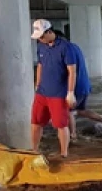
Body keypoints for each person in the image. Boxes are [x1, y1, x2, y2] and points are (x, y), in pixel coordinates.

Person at [52, 30, 102, 140]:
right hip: (84, 85)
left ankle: (73, 135)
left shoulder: (63, 50)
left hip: (75, 86)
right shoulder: (75, 47)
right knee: (81, 110)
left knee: (67, 111)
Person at [31, 19, 77, 158]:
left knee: (60, 125)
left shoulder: (66, 47)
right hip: (42, 92)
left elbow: (72, 71)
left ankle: (64, 154)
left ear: (49, 31)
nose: (40, 39)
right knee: (35, 122)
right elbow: (40, 65)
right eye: (38, 37)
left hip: (58, 93)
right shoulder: (41, 46)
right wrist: (37, 84)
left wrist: (70, 92)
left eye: (42, 36)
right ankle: (34, 151)